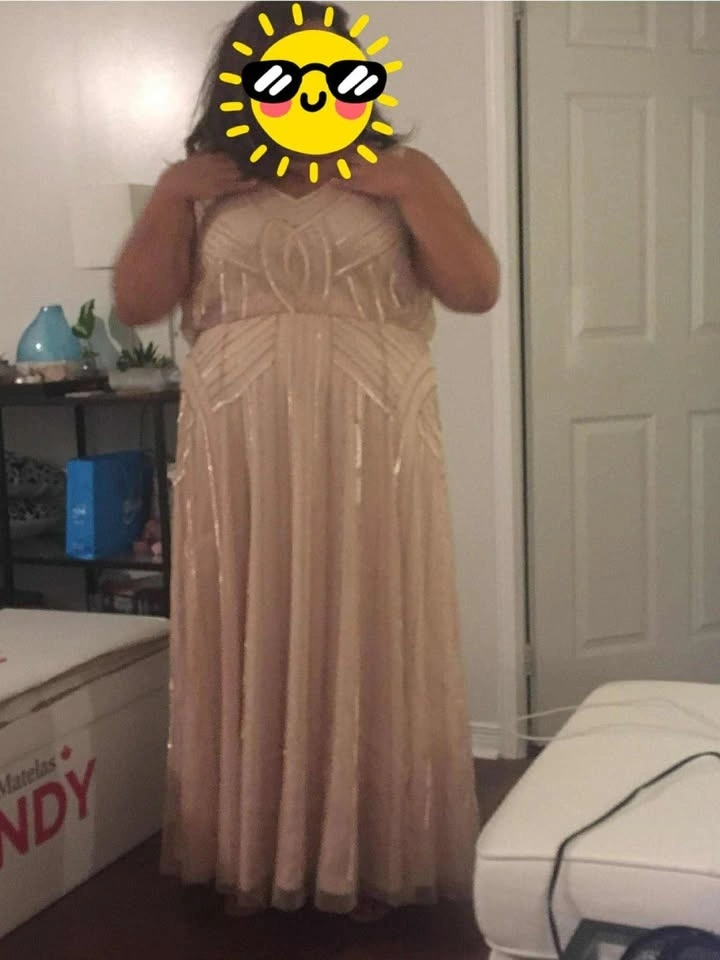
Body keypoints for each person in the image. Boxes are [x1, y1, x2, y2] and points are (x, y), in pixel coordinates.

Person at [114, 0, 499, 925]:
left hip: (375, 440)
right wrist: (169, 196)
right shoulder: (206, 185)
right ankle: (252, 847)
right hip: (238, 442)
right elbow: (138, 304)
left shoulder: (403, 172)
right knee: (252, 615)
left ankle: (373, 849)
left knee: (369, 612)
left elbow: (477, 290)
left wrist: (404, 190)